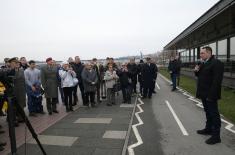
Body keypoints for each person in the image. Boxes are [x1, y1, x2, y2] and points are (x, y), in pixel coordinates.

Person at [194, 46, 224, 145]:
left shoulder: (216, 63)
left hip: (211, 94)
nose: (200, 55)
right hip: (203, 93)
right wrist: (196, 71)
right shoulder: (203, 63)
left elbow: (217, 81)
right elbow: (200, 76)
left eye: (202, 53)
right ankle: (208, 129)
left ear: (208, 53)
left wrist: (211, 95)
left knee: (214, 114)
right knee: (207, 112)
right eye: (200, 53)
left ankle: (216, 136)